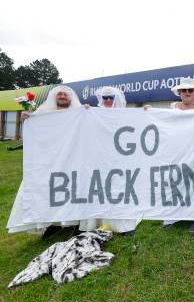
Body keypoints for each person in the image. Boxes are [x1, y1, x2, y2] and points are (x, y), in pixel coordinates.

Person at [7, 86, 83, 237]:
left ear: (71, 98)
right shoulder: (43, 114)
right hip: (50, 159)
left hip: (73, 158)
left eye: (65, 94)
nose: (62, 96)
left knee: (73, 189)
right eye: (59, 94)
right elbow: (34, 131)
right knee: (47, 190)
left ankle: (74, 222)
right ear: (55, 97)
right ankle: (53, 223)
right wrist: (26, 118)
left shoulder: (79, 113)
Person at [77, 86, 140, 236]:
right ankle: (96, 222)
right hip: (99, 156)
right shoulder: (94, 113)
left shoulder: (124, 114)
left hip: (118, 156)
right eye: (105, 98)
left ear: (115, 98)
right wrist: (83, 112)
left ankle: (123, 224)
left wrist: (146, 112)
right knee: (98, 187)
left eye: (111, 97)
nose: (108, 100)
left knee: (119, 187)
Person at [160, 77, 194, 232]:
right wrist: (148, 111)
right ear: (179, 92)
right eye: (184, 90)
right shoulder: (172, 108)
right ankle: (174, 215)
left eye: (190, 90)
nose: (187, 93)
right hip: (177, 151)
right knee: (176, 182)